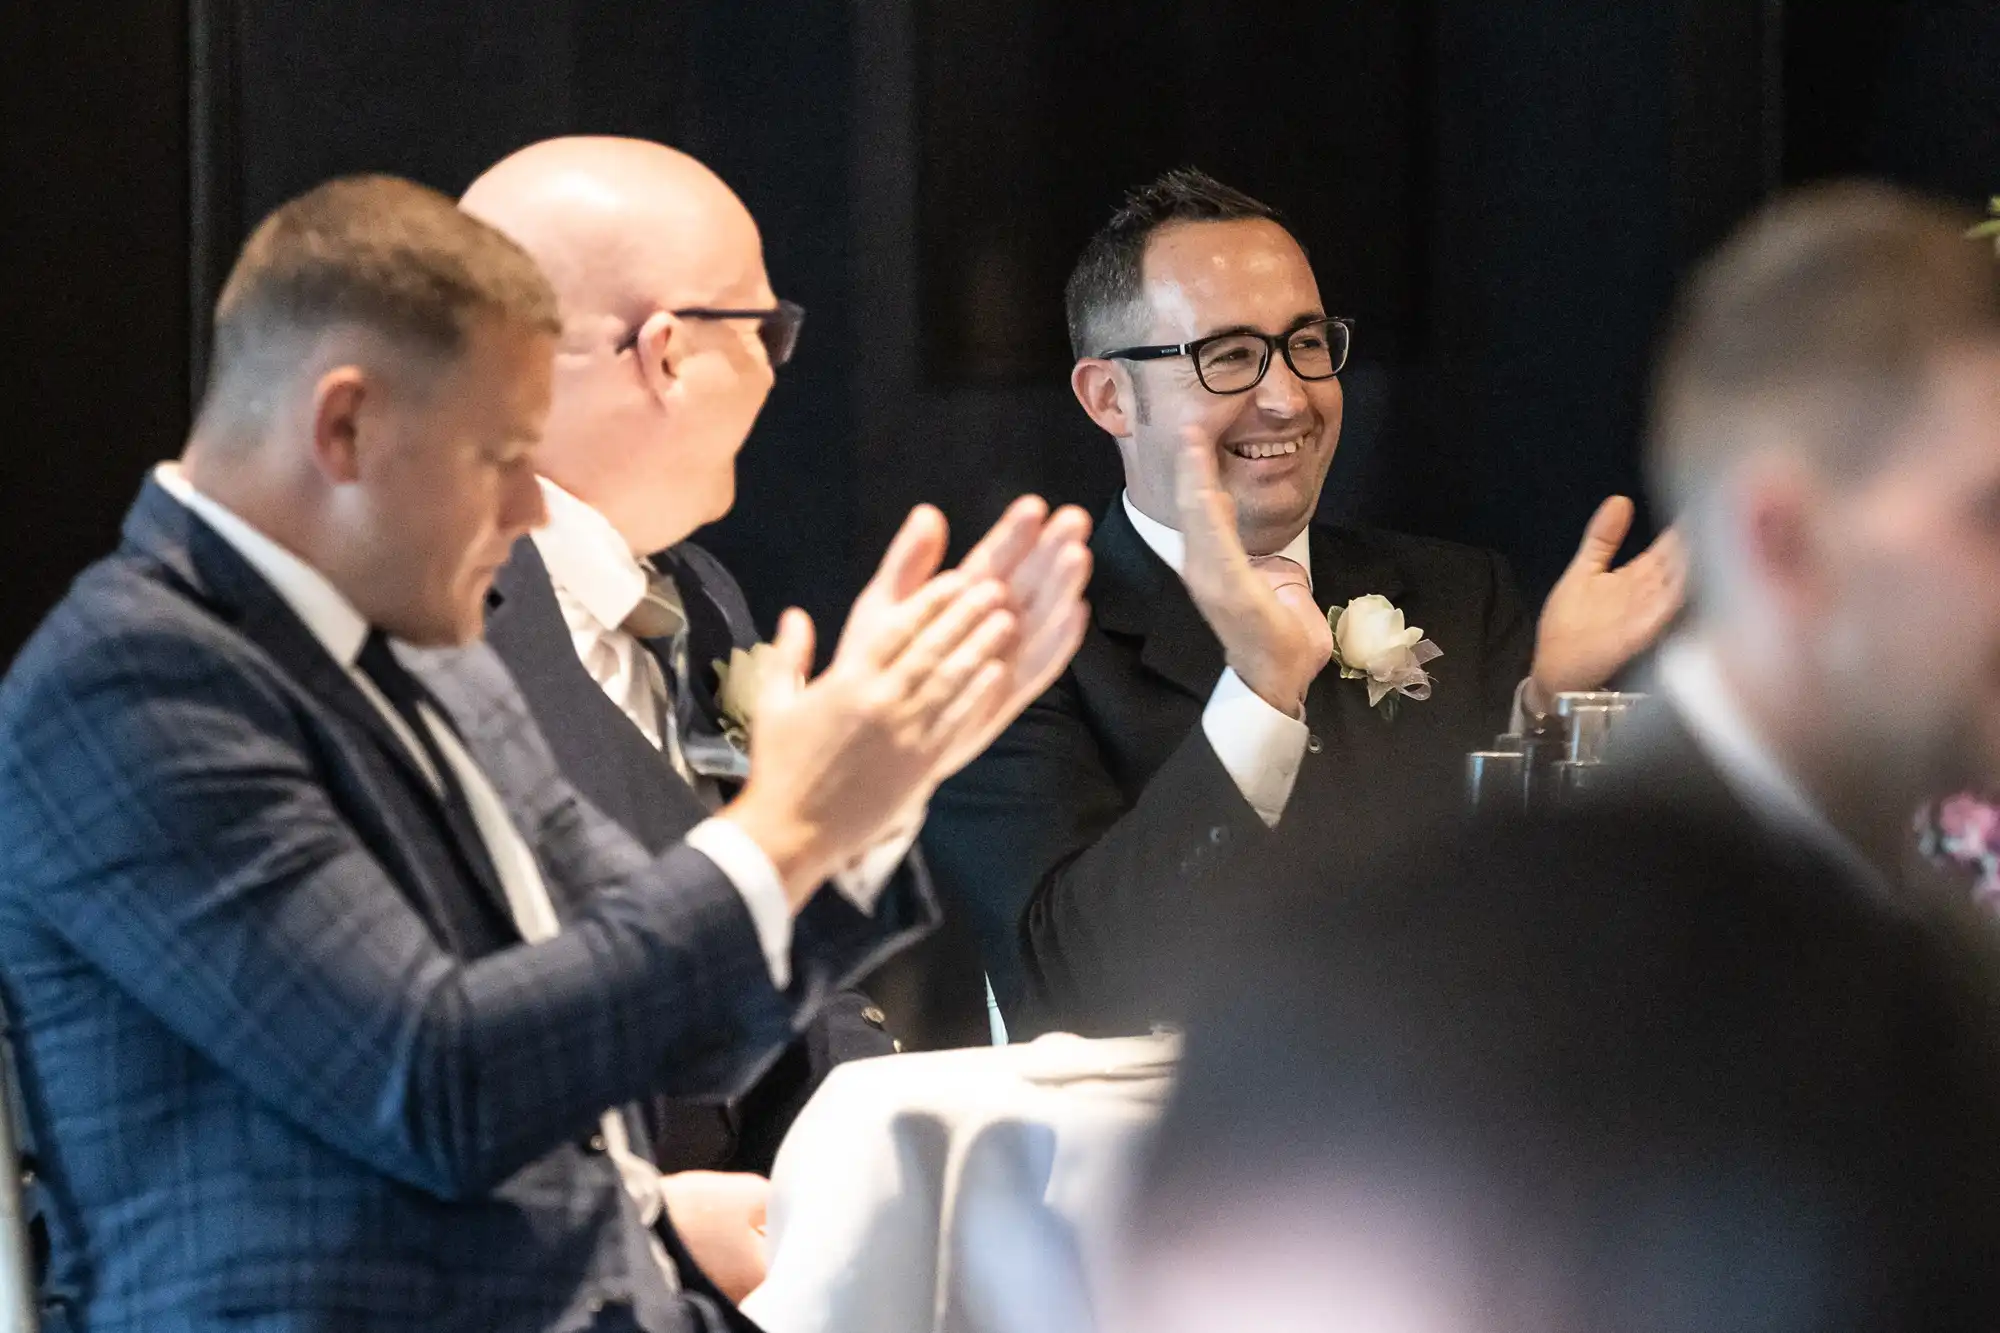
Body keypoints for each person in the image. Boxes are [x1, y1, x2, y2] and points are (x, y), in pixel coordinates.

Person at [0, 175, 1073, 1333]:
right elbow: (439, 1084)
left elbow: (671, 1017)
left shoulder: (429, 646)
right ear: (343, 426)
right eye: (498, 456)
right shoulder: (133, 682)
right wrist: (789, 824)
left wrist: (874, 791)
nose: (527, 508)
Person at [1118, 181, 2000, 1333]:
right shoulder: (1456, 990)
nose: (1283, 388)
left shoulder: (1933, 948)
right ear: (1783, 545)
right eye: (1986, 515)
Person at [443, 135, 1089, 1300]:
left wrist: (878, 1128)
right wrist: (646, 1218)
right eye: (765, 329)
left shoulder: (697, 594)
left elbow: (769, 950)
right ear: (669, 352)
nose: (779, 370)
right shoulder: (431, 624)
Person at [924, 168, 1685, 1033]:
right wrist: (1257, 698)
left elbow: (1561, 935)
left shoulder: (1458, 595)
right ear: (1110, 397)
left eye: (1308, 344)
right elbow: (1067, 987)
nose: (1288, 396)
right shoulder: (1013, 646)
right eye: (1230, 356)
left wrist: (1552, 713)